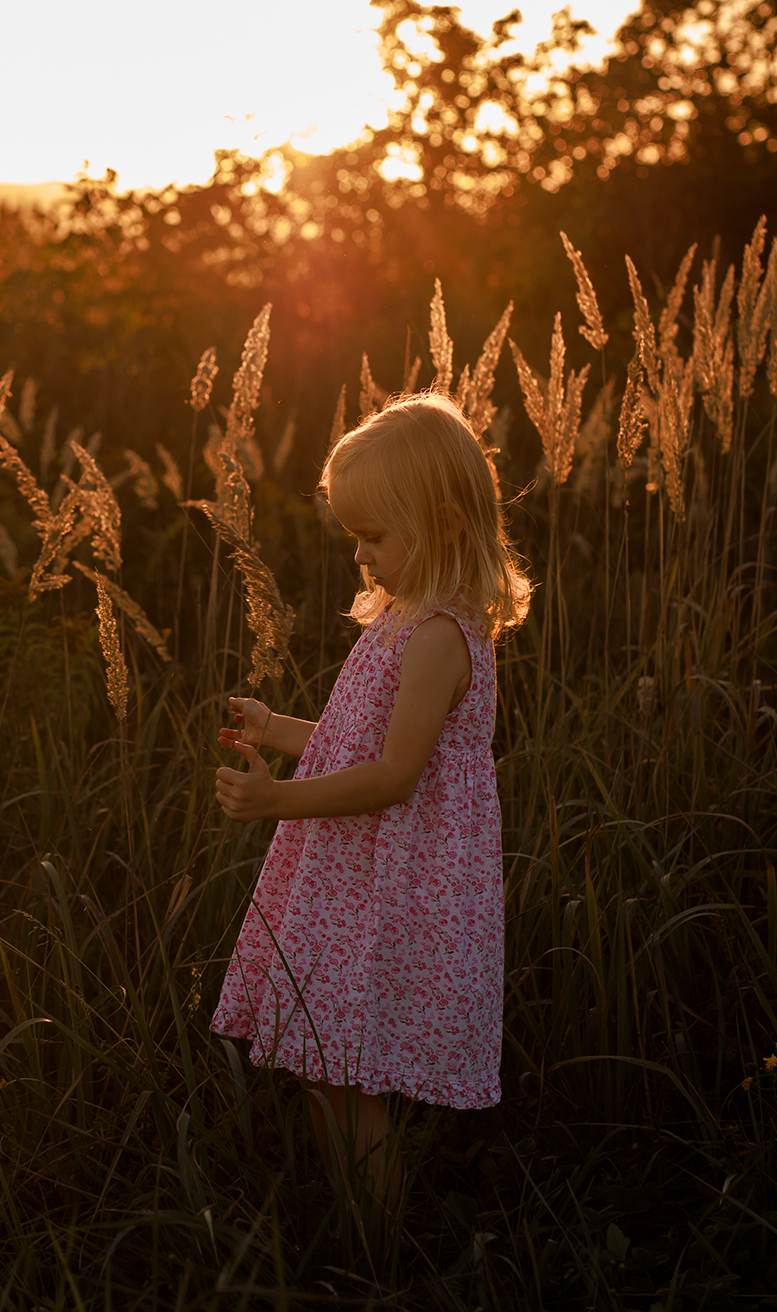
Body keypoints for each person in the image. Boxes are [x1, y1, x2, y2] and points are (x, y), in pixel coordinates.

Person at [209, 391, 529, 1214]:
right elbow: (354, 738)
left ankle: (376, 1248)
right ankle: (351, 1220)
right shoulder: (400, 618)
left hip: (394, 884)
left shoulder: (437, 639)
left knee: (348, 1073)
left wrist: (276, 797)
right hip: (358, 872)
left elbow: (393, 775)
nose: (361, 557)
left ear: (446, 523)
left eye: (374, 537)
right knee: (325, 1064)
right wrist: (278, 724)